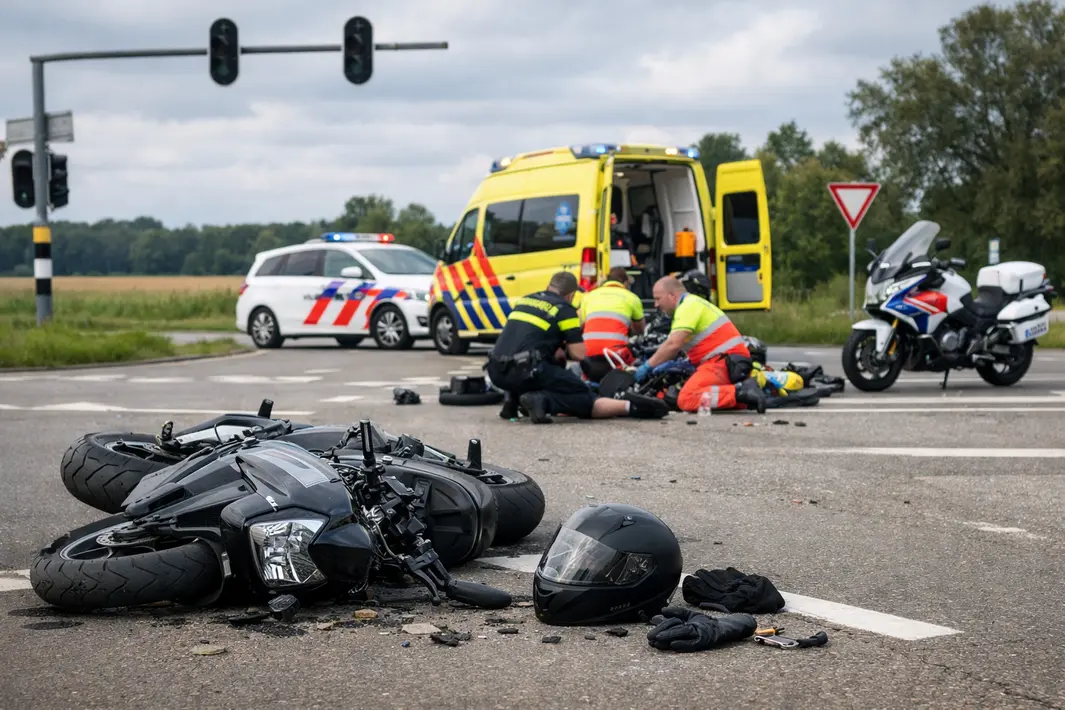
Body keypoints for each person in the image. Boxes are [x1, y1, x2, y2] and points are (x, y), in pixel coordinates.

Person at [487, 271, 668, 424]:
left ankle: (512, 400)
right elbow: (579, 354)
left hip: (496, 370)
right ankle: (543, 400)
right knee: (583, 394)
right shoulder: (565, 308)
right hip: (527, 372)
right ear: (571, 294)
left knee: (545, 365)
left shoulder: (526, 300)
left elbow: (525, 340)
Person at [635, 275, 766, 413]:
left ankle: (741, 392)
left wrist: (648, 366)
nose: (656, 304)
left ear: (672, 296)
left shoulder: (688, 306)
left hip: (723, 362)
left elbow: (673, 344)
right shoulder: (692, 304)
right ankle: (744, 398)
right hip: (725, 361)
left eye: (657, 299)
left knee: (687, 398)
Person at [578, 266, 646, 383]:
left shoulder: (588, 296)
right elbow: (640, 329)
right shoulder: (632, 297)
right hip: (615, 355)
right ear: (624, 282)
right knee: (636, 367)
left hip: (588, 353)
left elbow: (580, 325)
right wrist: (628, 329)